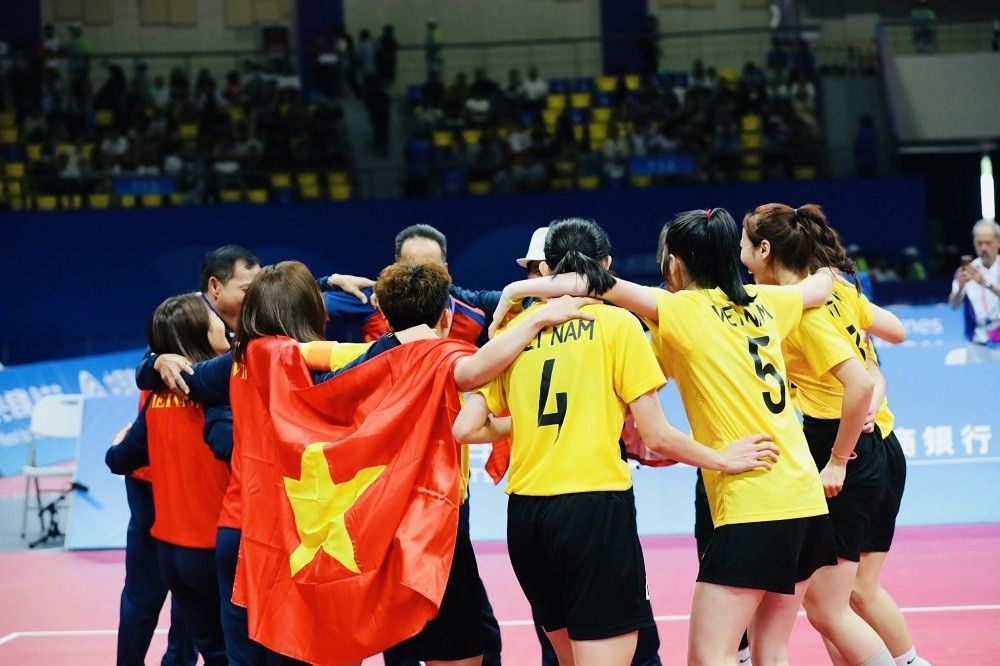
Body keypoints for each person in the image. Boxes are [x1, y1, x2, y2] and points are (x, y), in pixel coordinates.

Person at [491, 211, 839, 665]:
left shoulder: (680, 309)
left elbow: (589, 282)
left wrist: (516, 290)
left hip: (754, 499)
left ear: (675, 264)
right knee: (770, 653)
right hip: (805, 498)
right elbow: (822, 285)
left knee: (709, 658)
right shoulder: (765, 300)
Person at [741, 203, 902, 666]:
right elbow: (895, 332)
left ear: (766, 249)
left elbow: (859, 381)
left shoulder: (803, 316)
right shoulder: (836, 287)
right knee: (842, 600)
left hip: (841, 444)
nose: (738, 251)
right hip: (870, 441)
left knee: (827, 607)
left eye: (744, 244)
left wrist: (835, 457)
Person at [107, 294, 233, 666]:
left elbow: (118, 459)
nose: (222, 324)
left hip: (171, 550)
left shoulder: (157, 396)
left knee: (209, 646)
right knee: (233, 653)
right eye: (213, 320)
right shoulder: (217, 390)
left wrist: (116, 445)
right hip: (214, 547)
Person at [948, 218, 1000, 363]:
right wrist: (960, 287)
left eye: (988, 242)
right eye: (979, 243)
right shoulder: (965, 271)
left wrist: (985, 283)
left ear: (998, 242)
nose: (983, 248)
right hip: (976, 346)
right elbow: (953, 304)